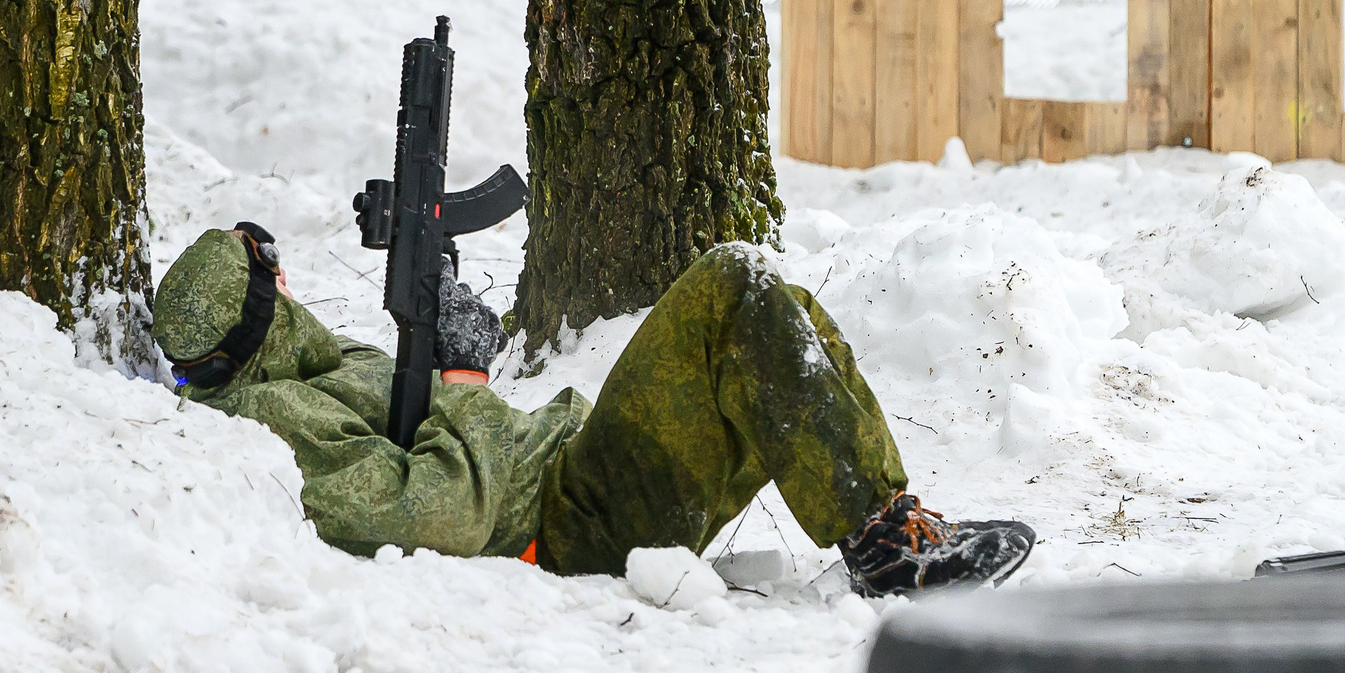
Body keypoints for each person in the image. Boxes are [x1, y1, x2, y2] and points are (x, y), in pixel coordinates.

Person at [152, 225, 1037, 597]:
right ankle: (883, 549)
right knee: (734, 284)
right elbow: (444, 510)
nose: (283, 270)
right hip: (569, 522)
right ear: (262, 303)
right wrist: (463, 379)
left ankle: (887, 520)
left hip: (578, 487)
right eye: (263, 264)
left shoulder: (304, 375)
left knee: (775, 305)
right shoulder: (275, 421)